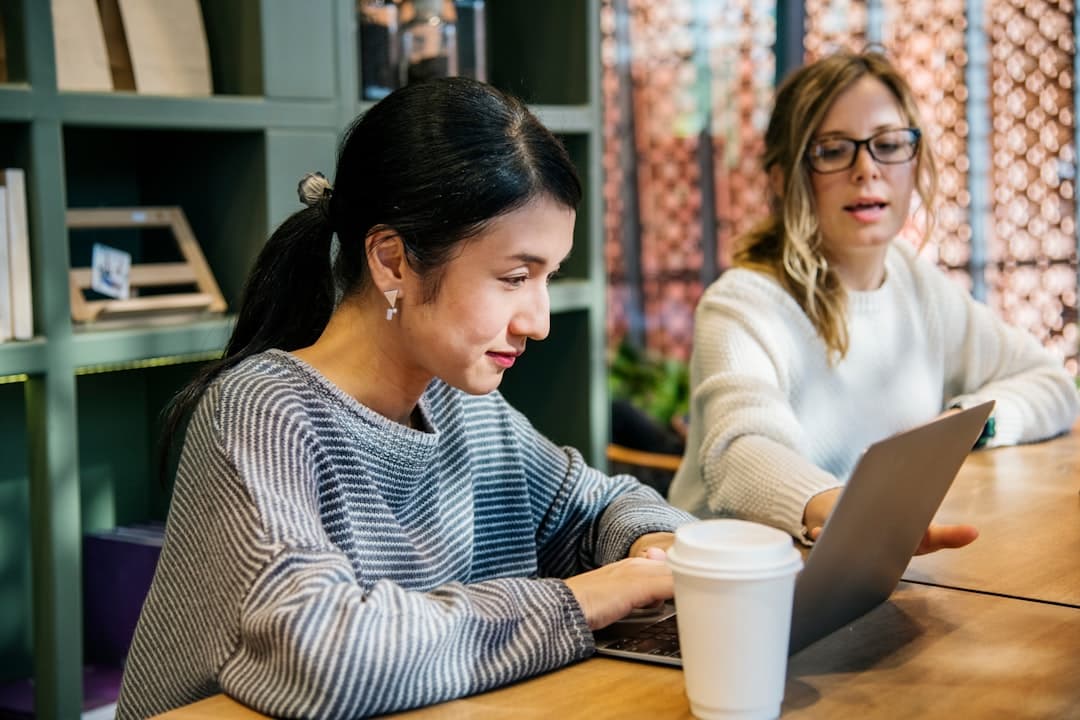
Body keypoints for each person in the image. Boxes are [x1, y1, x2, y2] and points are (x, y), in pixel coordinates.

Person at [117, 77, 696, 719]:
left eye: (548, 277)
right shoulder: (262, 411)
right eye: (513, 277)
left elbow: (599, 507)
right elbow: (324, 655)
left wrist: (650, 547)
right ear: (392, 260)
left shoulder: (461, 403)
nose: (540, 320)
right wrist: (584, 600)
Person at [667, 50, 1080, 550]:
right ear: (783, 177)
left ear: (914, 161)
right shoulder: (743, 304)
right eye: (834, 150)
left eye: (888, 144)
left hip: (869, 570)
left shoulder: (915, 284)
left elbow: (1053, 385)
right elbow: (741, 454)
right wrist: (857, 514)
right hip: (740, 592)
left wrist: (967, 423)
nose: (867, 169)